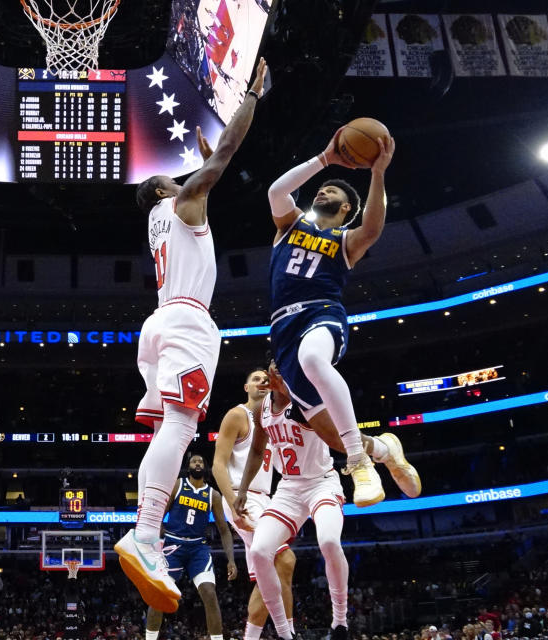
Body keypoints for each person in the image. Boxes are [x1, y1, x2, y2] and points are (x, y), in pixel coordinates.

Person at [115, 57, 268, 613]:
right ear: (161, 188)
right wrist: (250, 97)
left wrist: (203, 178)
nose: (182, 177)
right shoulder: (180, 203)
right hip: (186, 321)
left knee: (167, 432)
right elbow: (226, 155)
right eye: (173, 176)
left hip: (159, 324)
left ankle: (146, 533)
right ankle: (147, 534)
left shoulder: (164, 218)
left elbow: (200, 195)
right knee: (178, 430)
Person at [265, 127, 419, 507]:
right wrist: (324, 159)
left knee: (314, 358)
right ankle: (384, 449)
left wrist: (378, 173)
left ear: (346, 207)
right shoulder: (290, 225)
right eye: (321, 189)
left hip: (323, 312)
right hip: (283, 329)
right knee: (330, 432)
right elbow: (276, 192)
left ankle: (359, 462)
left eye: (331, 191)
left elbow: (373, 228)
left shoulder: (346, 240)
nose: (322, 191)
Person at [234, 363, 352, 640]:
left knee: (329, 542)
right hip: (288, 488)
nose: (275, 376)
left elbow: (336, 437)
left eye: (282, 371)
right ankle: (285, 633)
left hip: (321, 482)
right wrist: (241, 491)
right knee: (260, 552)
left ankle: (340, 622)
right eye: (275, 370)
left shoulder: (306, 400)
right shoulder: (262, 409)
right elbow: (256, 451)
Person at [212, 368, 297, 640]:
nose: (262, 382)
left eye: (265, 379)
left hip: (266, 498)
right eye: (256, 379)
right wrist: (231, 501)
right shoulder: (238, 415)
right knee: (284, 558)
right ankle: (289, 633)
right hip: (241, 496)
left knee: (267, 576)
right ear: (246, 387)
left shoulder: (274, 418)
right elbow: (217, 465)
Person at [144, 454, 237, 640]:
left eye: (201, 461)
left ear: (205, 467)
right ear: (189, 466)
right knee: (160, 593)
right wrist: (158, 534)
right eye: (194, 461)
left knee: (210, 593)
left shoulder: (213, 495)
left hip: (197, 549)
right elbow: (159, 513)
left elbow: (224, 531)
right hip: (173, 545)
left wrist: (231, 560)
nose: (197, 463)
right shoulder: (178, 484)